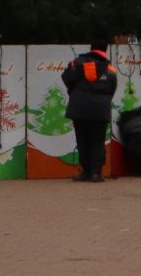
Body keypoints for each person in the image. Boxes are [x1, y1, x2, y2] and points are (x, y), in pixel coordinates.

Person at [61, 41, 118, 183]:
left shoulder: (77, 63)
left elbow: (66, 78)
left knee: (82, 140)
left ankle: (85, 172)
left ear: (91, 49)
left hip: (79, 107)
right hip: (100, 110)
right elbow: (112, 88)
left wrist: (73, 92)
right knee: (98, 141)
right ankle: (96, 174)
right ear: (105, 50)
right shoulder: (110, 69)